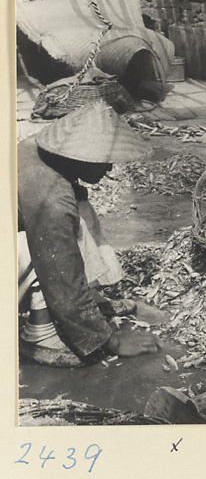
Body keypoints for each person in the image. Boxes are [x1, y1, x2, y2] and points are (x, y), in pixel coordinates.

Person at [18, 101, 162, 367]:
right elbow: (62, 276)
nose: (108, 170)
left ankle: (89, 301)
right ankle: (39, 334)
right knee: (47, 249)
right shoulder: (50, 199)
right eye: (103, 162)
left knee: (79, 207)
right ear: (78, 156)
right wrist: (110, 340)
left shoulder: (35, 149)